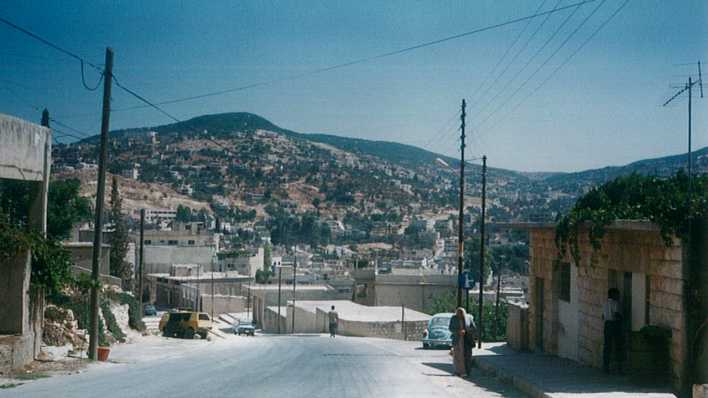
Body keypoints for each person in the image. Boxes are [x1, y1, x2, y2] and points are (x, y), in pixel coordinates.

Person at [602, 288, 624, 374]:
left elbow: (603, 316)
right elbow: (616, 314)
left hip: (607, 325)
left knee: (607, 346)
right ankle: (619, 368)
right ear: (613, 295)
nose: (618, 296)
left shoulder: (604, 303)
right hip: (614, 325)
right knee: (618, 345)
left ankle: (606, 366)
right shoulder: (615, 303)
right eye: (617, 294)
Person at [449, 307, 473, 377]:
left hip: (466, 340)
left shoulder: (469, 318)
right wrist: (458, 332)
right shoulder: (454, 318)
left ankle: (465, 371)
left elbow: (473, 328)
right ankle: (457, 371)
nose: (459, 315)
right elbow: (450, 328)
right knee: (456, 355)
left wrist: (466, 331)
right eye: (458, 313)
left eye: (461, 313)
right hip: (457, 339)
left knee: (465, 356)